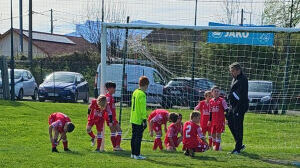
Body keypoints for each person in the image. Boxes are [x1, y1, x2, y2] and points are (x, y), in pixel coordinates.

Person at [227, 62, 249, 154]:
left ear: (238, 70)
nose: (231, 73)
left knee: (238, 126)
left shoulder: (243, 79)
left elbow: (240, 95)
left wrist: (231, 96)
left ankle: (238, 148)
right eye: (231, 71)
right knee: (229, 121)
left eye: (233, 71)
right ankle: (239, 143)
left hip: (240, 106)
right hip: (233, 106)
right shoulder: (234, 79)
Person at [130, 76, 149, 160]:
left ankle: (133, 153)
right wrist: (144, 120)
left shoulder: (135, 92)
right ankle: (137, 154)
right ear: (145, 85)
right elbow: (142, 109)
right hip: (139, 119)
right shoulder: (142, 94)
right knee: (138, 137)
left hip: (133, 117)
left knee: (133, 136)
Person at [208, 86, 229, 151]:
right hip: (213, 121)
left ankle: (217, 148)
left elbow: (226, 110)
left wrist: (226, 119)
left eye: (218, 91)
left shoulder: (222, 100)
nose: (216, 92)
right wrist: (209, 120)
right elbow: (210, 112)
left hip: (220, 120)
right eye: (215, 91)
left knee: (218, 134)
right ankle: (215, 146)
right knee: (213, 134)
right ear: (212, 93)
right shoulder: (211, 101)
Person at [105, 81, 123, 151]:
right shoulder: (108, 97)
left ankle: (115, 147)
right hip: (110, 117)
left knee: (113, 132)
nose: (115, 90)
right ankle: (117, 146)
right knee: (119, 131)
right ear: (109, 89)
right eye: (114, 88)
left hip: (112, 117)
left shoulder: (111, 97)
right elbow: (107, 108)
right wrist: (110, 119)